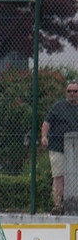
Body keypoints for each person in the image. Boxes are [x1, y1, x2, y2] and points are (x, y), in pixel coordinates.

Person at [40, 81, 78, 214]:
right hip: (58, 147)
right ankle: (57, 205)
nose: (72, 94)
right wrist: (44, 137)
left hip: (75, 149)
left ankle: (74, 205)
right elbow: (46, 123)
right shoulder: (58, 107)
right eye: (69, 91)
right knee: (58, 176)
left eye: (75, 91)